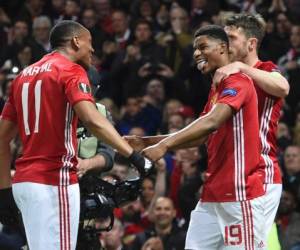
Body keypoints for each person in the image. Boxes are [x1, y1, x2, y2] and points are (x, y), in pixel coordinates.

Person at [0, 20, 150, 250]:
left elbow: (2, 137)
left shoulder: (23, 76)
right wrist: (133, 155)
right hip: (54, 180)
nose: (92, 50)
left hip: (24, 182)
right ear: (75, 41)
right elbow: (91, 119)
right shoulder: (71, 69)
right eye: (90, 43)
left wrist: (3, 189)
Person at [127, 25, 267, 249]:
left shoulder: (238, 81)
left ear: (223, 47)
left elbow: (212, 121)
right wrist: (148, 141)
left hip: (241, 195)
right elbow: (200, 134)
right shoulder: (216, 89)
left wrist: (163, 146)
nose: (196, 53)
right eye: (194, 49)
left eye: (203, 47)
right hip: (212, 194)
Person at [212, 13, 290, 240]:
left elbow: (282, 86)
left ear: (251, 43)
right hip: (232, 177)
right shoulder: (225, 76)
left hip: (261, 175)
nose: (225, 44)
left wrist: (240, 67)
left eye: (232, 37)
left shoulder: (265, 69)